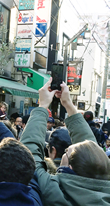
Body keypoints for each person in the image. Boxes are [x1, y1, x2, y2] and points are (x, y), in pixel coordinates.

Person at [21, 78, 110, 206]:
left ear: (70, 167)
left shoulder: (53, 191)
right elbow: (91, 154)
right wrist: (68, 104)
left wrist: (43, 106)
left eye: (67, 152)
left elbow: (28, 153)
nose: (67, 149)